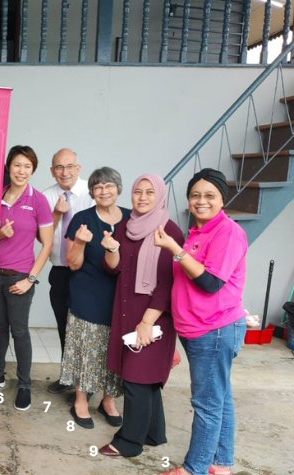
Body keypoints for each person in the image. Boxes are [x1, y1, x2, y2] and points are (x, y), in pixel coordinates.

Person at [155, 169, 248, 475]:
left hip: (215, 329)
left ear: (223, 200)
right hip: (198, 329)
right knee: (220, 398)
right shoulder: (198, 232)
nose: (201, 201)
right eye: (195, 195)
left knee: (207, 403)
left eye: (210, 195)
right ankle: (221, 464)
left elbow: (210, 283)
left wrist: (175, 249)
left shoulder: (228, 232)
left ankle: (194, 468)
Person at [97, 173, 183, 455]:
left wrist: (147, 322)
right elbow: (114, 268)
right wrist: (111, 249)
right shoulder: (126, 227)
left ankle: (129, 442)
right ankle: (153, 434)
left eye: (149, 192)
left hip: (154, 317)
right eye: (138, 191)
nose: (142, 197)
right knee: (145, 377)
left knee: (137, 378)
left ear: (160, 196)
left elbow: (167, 284)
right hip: (126, 311)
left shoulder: (170, 231)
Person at [59, 167, 129, 429]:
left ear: (118, 188)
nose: (104, 191)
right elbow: (72, 263)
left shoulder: (131, 219)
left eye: (109, 185)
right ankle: (80, 400)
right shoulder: (82, 219)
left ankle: (108, 401)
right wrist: (79, 242)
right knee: (86, 349)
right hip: (88, 294)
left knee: (116, 350)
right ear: (91, 192)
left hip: (121, 297)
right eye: (98, 187)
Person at [0, 145, 53, 411]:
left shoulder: (38, 200)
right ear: (8, 167)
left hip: (20, 277)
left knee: (19, 331)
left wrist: (30, 279)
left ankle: (25, 385)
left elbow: (47, 245)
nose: (21, 171)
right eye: (17, 165)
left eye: (27, 166)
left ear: (33, 170)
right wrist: (0, 235)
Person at [42, 148, 94, 394]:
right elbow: (41, 236)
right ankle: (67, 376)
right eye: (59, 167)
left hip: (87, 272)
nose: (65, 172)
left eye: (70, 166)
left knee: (86, 328)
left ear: (78, 168)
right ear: (52, 171)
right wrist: (56, 214)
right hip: (60, 271)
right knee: (64, 326)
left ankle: (88, 381)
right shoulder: (47, 196)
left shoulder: (92, 193)